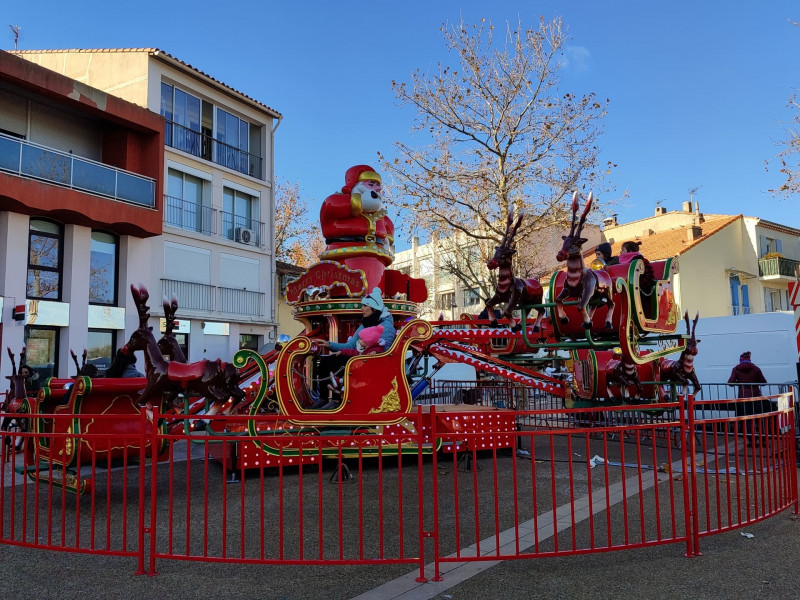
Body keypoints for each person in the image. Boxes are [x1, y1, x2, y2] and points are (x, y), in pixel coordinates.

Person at [313, 288, 397, 409]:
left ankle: (337, 401)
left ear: (373, 308)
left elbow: (385, 351)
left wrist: (371, 353)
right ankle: (324, 399)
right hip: (360, 358)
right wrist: (329, 344)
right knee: (326, 361)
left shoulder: (386, 327)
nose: (361, 309)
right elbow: (350, 346)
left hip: (372, 364)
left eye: (364, 306)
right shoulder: (365, 324)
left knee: (344, 366)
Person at [728, 351, 768, 443]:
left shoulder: (736, 369)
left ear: (740, 360)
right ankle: (763, 440)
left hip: (743, 397)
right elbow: (764, 382)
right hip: (756, 396)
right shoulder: (756, 369)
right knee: (759, 418)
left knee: (747, 420)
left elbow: (730, 383)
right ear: (749, 359)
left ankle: (751, 441)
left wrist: (738, 382)